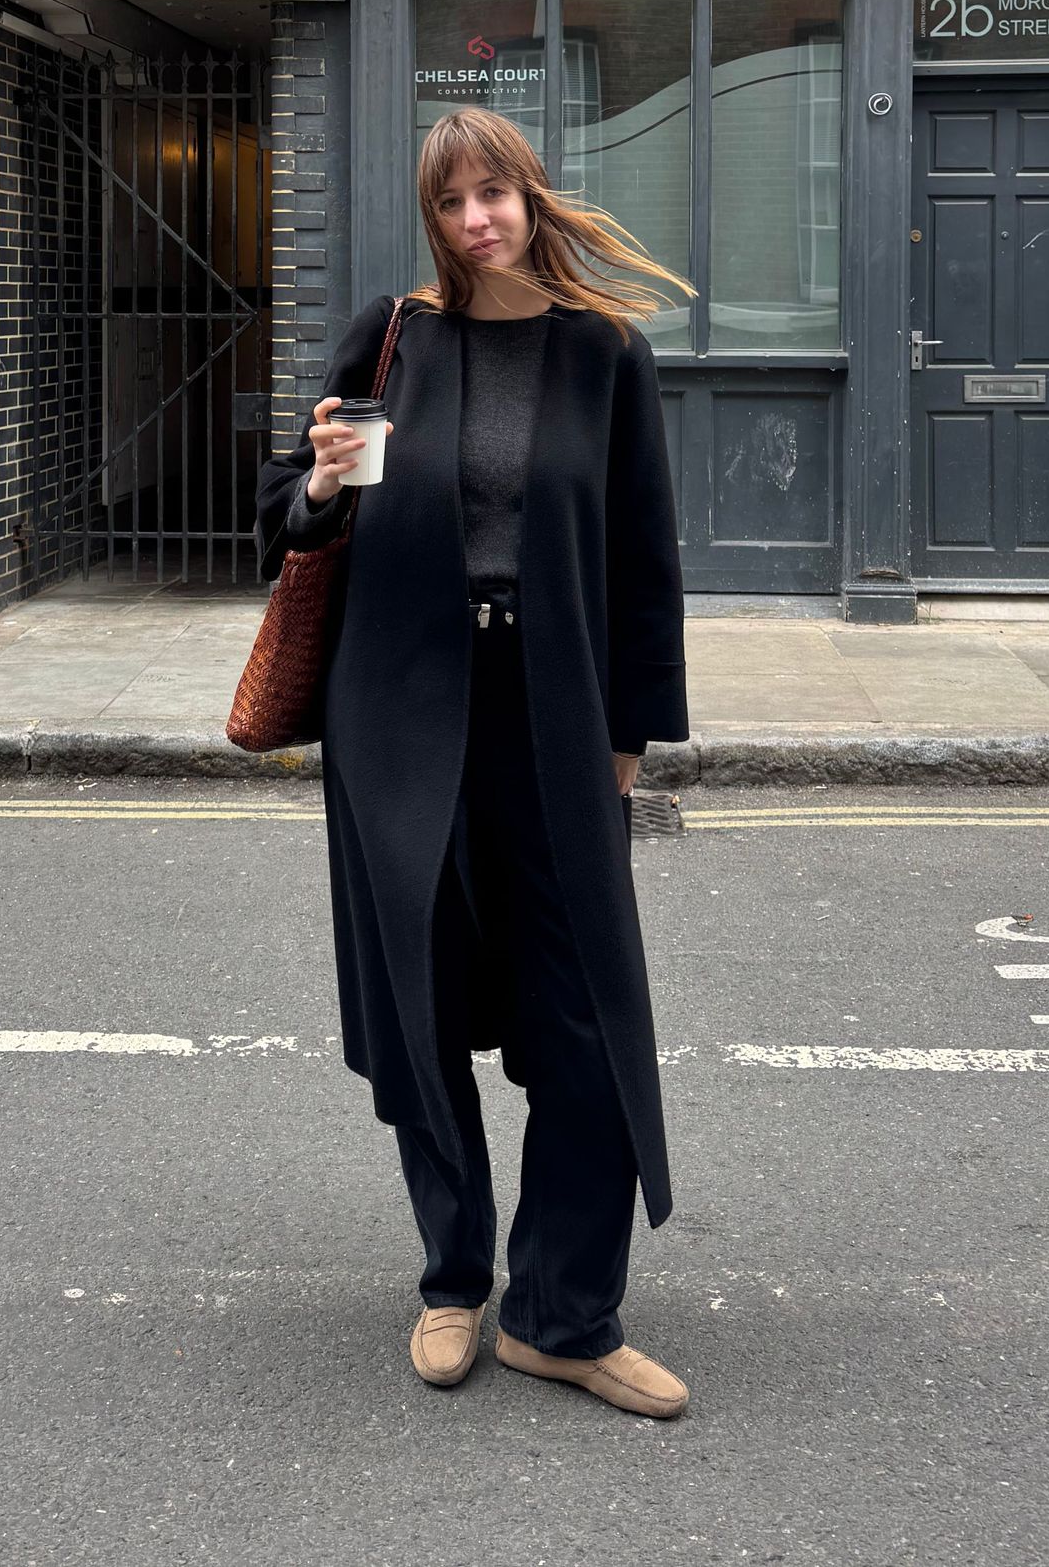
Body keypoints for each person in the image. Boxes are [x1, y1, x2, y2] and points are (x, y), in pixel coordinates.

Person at [254, 103, 695, 1419]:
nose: (476, 219)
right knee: (421, 1006)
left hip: (551, 720)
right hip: (398, 718)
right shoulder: (399, 341)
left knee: (588, 1021)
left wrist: (625, 750)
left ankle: (562, 1312)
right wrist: (324, 483)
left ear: (534, 194)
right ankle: (454, 1276)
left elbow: (647, 568)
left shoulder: (604, 353)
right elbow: (282, 510)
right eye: (451, 202)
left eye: (494, 191)